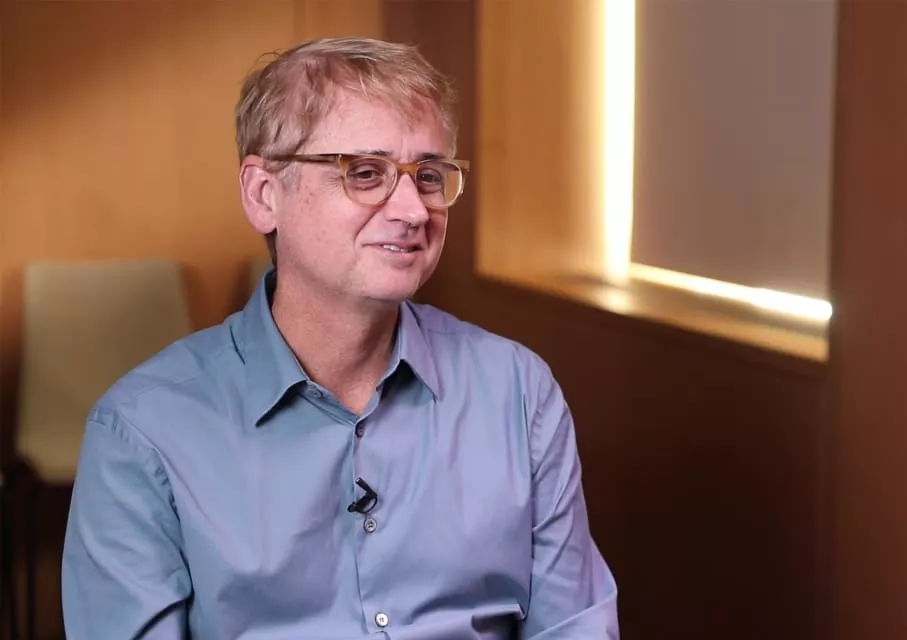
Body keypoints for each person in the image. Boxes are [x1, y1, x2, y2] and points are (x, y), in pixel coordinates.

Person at [61, 37, 619, 639]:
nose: (413, 210)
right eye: (366, 173)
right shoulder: (142, 431)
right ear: (264, 194)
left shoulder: (519, 393)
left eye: (429, 176)